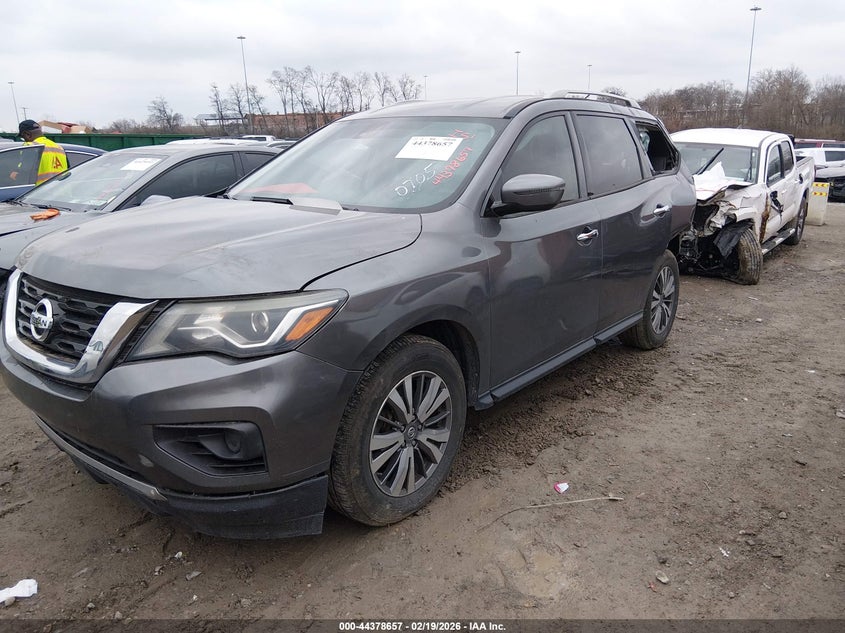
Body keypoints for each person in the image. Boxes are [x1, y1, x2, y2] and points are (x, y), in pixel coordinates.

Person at [15, 120, 68, 184]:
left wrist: (14, 175)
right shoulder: (59, 147)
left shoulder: (31, 147)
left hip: (41, 192)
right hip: (61, 190)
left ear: (28, 135)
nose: (24, 141)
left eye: (23, 138)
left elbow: (23, 174)